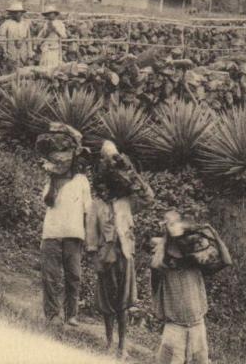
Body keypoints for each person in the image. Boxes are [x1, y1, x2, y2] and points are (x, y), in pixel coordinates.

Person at [86, 140, 155, 357]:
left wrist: (132, 173)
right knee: (107, 303)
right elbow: (91, 237)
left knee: (123, 304)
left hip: (125, 255)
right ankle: (109, 342)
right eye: (102, 187)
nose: (105, 190)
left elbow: (148, 198)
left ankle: (122, 346)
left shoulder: (127, 202)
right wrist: (95, 259)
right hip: (106, 257)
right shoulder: (96, 205)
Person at [151, 211, 231, 364]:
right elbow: (155, 265)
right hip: (175, 327)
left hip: (197, 325)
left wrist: (214, 235)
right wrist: (166, 237)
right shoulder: (165, 265)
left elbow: (226, 261)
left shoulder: (195, 263)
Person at [35, 123, 92, 327]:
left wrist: (86, 237)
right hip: (52, 232)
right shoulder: (51, 180)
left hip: (74, 234)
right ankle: (52, 313)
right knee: (50, 274)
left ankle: (71, 315)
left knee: (73, 276)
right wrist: (53, 181)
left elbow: (87, 211)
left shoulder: (82, 181)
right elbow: (48, 201)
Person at [0, 1, 33, 67]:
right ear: (12, 13)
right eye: (16, 13)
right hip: (11, 55)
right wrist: (5, 52)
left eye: (20, 12)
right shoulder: (6, 24)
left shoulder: (25, 24)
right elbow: (1, 40)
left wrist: (30, 53)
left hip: (23, 55)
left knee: (23, 74)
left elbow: (29, 40)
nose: (19, 14)